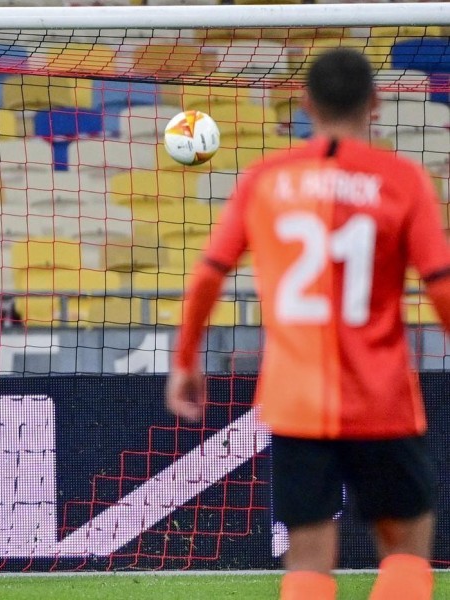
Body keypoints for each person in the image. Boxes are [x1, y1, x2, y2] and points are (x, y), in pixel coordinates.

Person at [166, 48, 450, 600]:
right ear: (375, 102)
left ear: (305, 103)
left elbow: (206, 276)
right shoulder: (403, 179)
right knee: (407, 555)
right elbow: (440, 283)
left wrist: (184, 362)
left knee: (309, 561)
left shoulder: (266, 178)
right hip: (382, 397)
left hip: (297, 400)